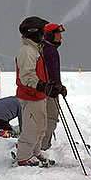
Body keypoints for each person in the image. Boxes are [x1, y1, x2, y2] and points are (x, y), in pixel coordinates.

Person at [15, 16, 63, 167]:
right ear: (34, 32)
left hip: (39, 95)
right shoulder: (28, 51)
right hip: (30, 95)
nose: (44, 34)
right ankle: (23, 157)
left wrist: (51, 87)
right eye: (42, 31)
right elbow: (26, 76)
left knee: (41, 126)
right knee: (31, 128)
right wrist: (43, 86)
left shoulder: (37, 49)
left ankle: (35, 153)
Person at [40, 23, 67, 152]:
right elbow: (52, 72)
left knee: (44, 118)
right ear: (50, 35)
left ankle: (42, 144)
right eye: (58, 34)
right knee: (51, 118)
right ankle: (44, 145)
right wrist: (58, 87)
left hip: (45, 90)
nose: (60, 37)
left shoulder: (43, 48)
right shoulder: (50, 51)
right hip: (50, 91)